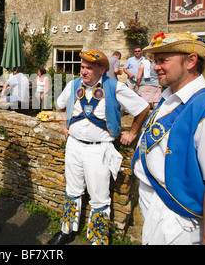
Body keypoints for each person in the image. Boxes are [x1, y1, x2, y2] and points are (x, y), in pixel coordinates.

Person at [132, 32, 205, 245]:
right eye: (155, 61)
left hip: (179, 221)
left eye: (163, 60)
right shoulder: (169, 98)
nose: (155, 67)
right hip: (155, 209)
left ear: (191, 61)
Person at [49, 50, 150, 245]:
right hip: (74, 146)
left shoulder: (114, 87)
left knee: (99, 197)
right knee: (72, 189)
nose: (83, 72)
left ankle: (97, 240)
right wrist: (65, 125)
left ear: (102, 69)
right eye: (82, 67)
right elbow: (60, 106)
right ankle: (67, 231)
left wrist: (132, 133)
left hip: (99, 149)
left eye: (88, 68)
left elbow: (143, 107)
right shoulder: (73, 85)